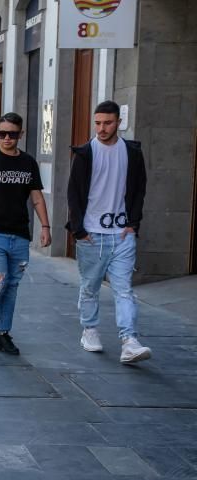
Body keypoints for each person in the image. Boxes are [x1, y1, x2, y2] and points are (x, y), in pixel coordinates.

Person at [67, 100, 152, 364]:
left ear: (119, 123)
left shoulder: (132, 152)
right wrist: (79, 231)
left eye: (107, 123)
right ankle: (89, 330)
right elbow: (74, 194)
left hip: (122, 234)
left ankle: (130, 340)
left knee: (124, 289)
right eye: (98, 123)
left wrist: (133, 223)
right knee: (90, 287)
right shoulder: (85, 153)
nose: (102, 128)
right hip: (91, 235)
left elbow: (139, 189)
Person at [0, 112, 51, 356]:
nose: (6, 138)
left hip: (19, 235)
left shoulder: (28, 163)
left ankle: (3, 334)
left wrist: (45, 227)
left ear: (21, 135)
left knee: (12, 286)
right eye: (1, 133)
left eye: (12, 134)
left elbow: (36, 198)